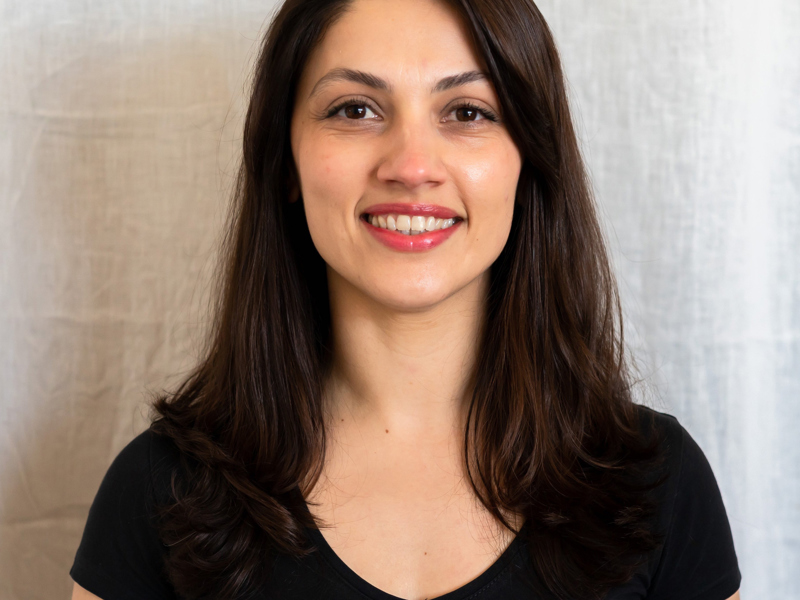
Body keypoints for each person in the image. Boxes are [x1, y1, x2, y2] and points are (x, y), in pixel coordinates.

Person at [69, 0, 742, 599]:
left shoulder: (659, 484)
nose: (412, 165)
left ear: (528, 162)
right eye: (355, 110)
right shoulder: (161, 492)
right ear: (286, 163)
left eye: (467, 112)